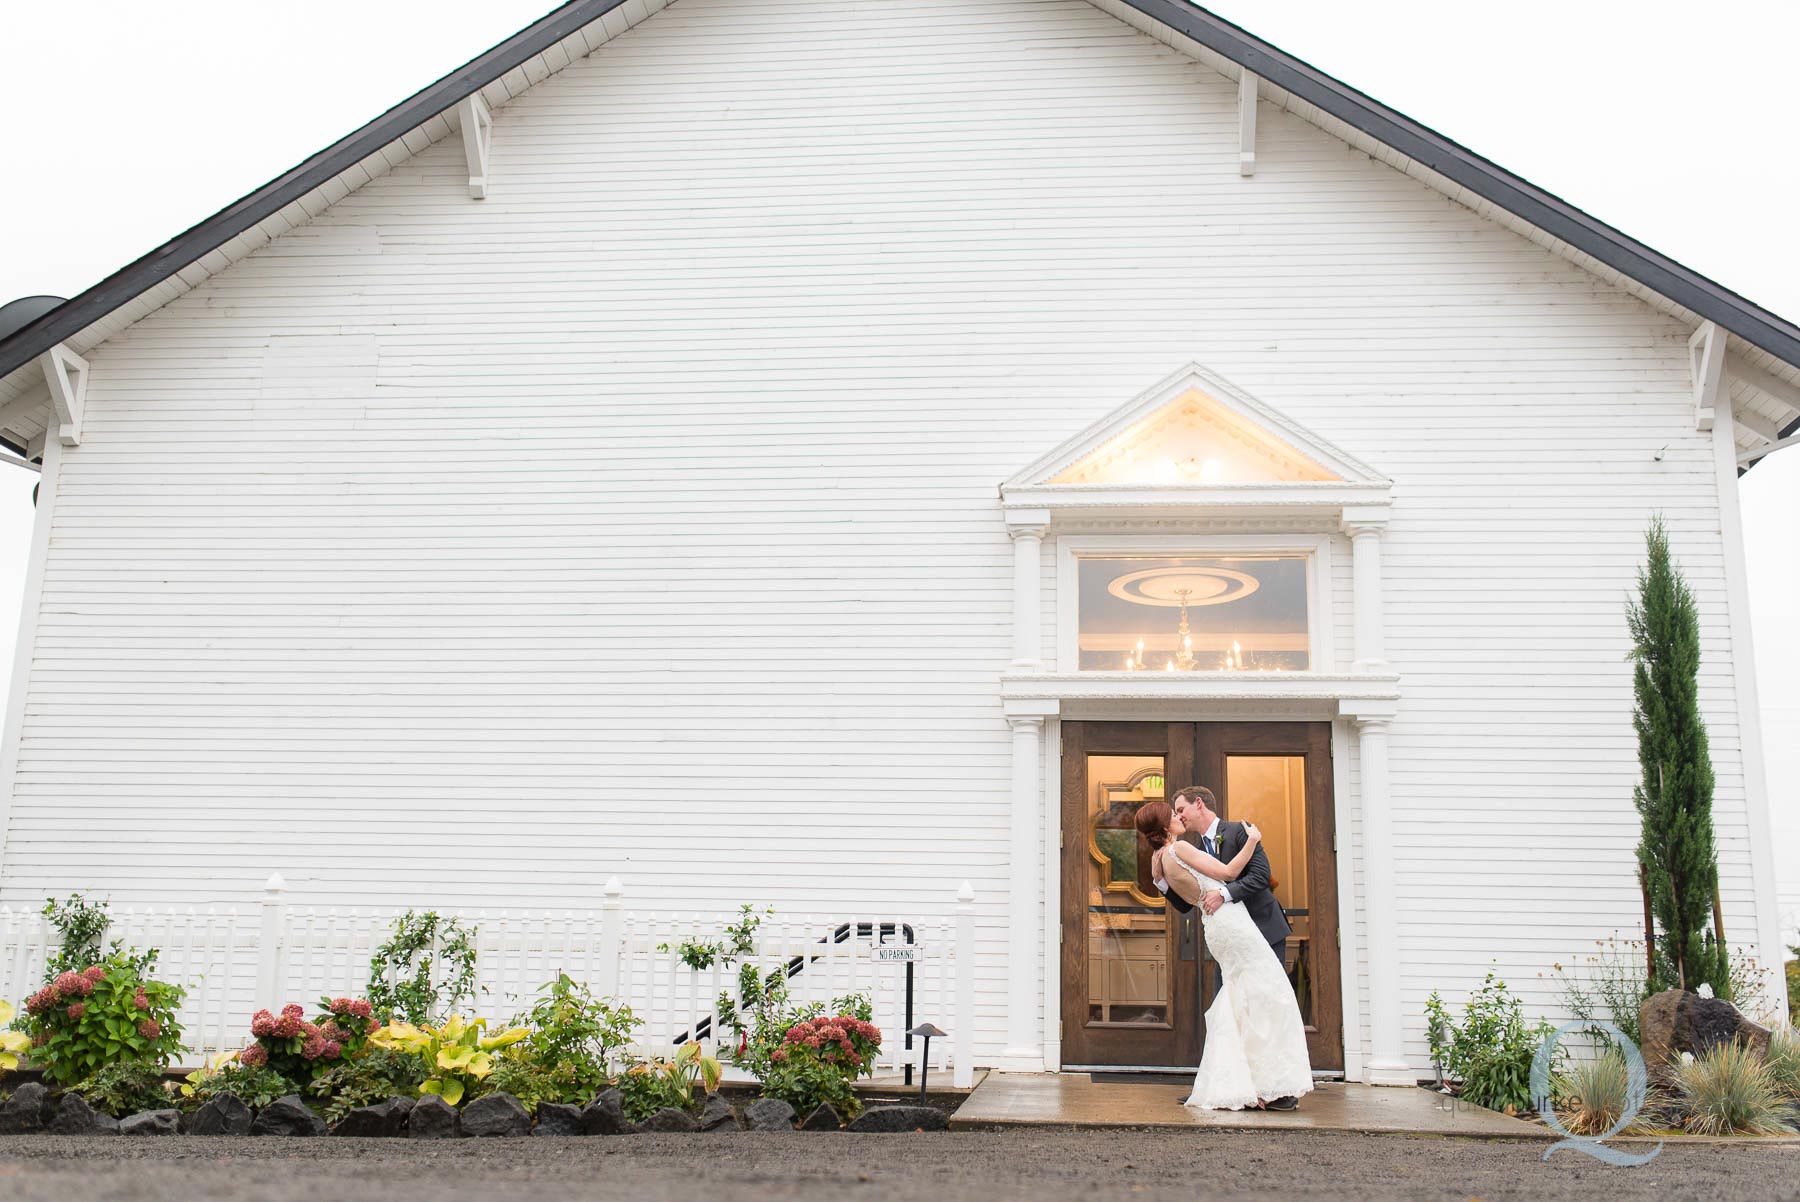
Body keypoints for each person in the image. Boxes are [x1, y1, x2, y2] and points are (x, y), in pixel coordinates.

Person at [1136, 796, 1313, 1111]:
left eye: (1181, 809)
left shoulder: (1223, 836)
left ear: (1198, 804)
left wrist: (1165, 883)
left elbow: (1259, 877)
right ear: (1165, 825)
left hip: (1247, 926)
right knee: (1264, 999)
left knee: (1241, 1004)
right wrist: (1256, 839)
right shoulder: (1182, 849)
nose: (1180, 816)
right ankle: (1252, 1085)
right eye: (1173, 813)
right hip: (1233, 929)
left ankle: (1244, 1084)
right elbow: (1229, 873)